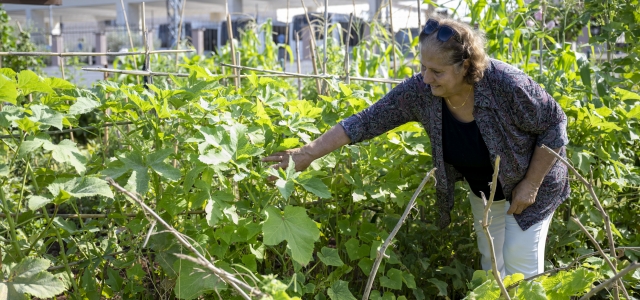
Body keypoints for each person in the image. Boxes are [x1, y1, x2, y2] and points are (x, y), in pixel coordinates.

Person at [262, 16, 569, 279]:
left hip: (531, 189)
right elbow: (367, 121)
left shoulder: (505, 83)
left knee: (521, 268)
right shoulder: (422, 92)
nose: (426, 78)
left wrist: (530, 184)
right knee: (492, 268)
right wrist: (307, 153)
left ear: (464, 67)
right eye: (423, 67)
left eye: (436, 72)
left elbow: (555, 123)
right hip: (485, 191)